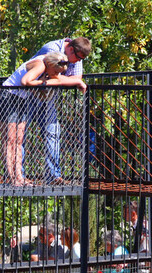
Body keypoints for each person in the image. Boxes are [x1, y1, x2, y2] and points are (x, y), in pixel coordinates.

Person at [0, 51, 73, 186]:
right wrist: (45, 82)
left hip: (22, 99)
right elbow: (25, 81)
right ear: (50, 65)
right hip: (8, 98)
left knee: (19, 140)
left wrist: (48, 82)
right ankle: (13, 178)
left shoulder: (47, 66)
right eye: (55, 71)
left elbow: (40, 87)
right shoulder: (40, 65)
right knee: (10, 140)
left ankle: (20, 177)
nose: (55, 75)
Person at [24, 37, 91, 185]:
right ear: (71, 49)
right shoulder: (52, 49)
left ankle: (53, 176)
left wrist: (74, 80)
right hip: (27, 97)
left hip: (46, 98)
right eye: (77, 58)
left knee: (53, 133)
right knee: (20, 135)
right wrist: (74, 81)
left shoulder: (77, 56)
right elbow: (57, 78)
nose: (77, 62)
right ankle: (19, 177)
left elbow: (75, 77)